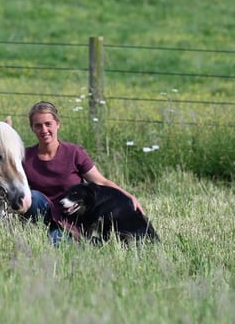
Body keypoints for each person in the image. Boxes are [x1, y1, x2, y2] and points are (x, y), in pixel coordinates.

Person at [21, 100, 144, 244]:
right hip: (42, 212)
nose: (44, 130)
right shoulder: (25, 157)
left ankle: (84, 240)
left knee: (57, 242)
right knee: (33, 196)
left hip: (71, 215)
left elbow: (100, 181)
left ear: (57, 124)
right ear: (32, 128)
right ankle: (43, 231)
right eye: (38, 126)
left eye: (48, 124)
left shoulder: (74, 153)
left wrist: (128, 197)